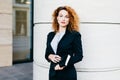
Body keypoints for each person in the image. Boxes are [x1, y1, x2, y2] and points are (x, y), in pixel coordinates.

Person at [45, 6, 83, 80]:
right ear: (57, 18)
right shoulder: (50, 35)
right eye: (61, 16)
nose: (63, 19)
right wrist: (50, 56)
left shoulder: (74, 35)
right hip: (53, 73)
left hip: (67, 74)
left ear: (70, 19)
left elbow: (79, 56)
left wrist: (63, 64)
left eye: (66, 17)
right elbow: (47, 53)